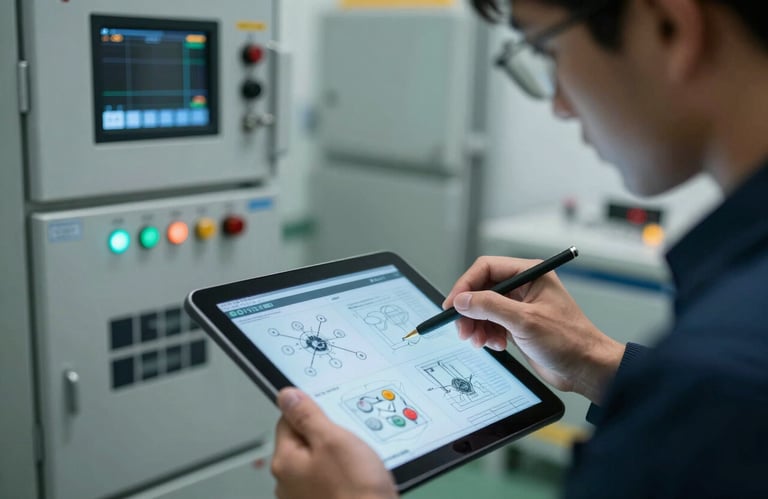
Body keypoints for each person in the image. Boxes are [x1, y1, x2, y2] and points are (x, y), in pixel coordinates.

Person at [271, 0, 768, 497]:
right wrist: (596, 360)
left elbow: (718, 400)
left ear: (672, 28)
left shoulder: (717, 377)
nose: (559, 104)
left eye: (547, 49)